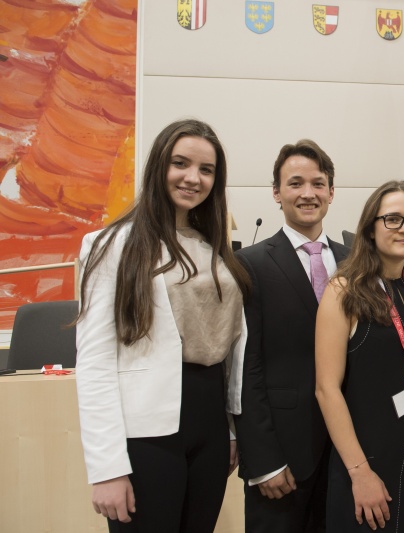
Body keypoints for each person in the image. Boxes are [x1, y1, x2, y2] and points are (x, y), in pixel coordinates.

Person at [76, 119, 250, 532]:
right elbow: (96, 361)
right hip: (147, 430)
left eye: (206, 170)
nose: (194, 178)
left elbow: (228, 343)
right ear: (159, 166)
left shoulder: (214, 247)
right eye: (181, 163)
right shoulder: (112, 244)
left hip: (209, 420)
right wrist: (106, 468)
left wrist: (229, 428)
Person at [315, 180, 404, 532]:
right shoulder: (343, 291)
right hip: (368, 463)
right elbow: (326, 389)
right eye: (393, 219)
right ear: (370, 227)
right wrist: (359, 472)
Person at [234, 139, 348, 532]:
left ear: (331, 192)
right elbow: (244, 371)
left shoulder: (355, 262)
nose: (307, 193)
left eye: (318, 183)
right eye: (295, 183)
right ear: (276, 192)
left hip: (347, 455)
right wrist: (262, 461)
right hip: (281, 455)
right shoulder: (248, 265)